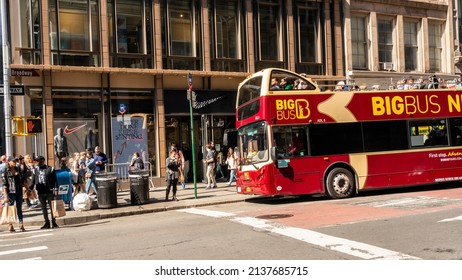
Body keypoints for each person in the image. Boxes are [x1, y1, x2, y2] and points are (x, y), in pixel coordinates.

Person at [29, 156, 59, 229]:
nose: (37, 162)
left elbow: (55, 180)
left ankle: (54, 222)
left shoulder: (50, 169)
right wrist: (30, 189)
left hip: (49, 191)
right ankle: (46, 222)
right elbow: (32, 181)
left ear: (43, 160)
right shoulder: (35, 170)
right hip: (40, 191)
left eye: (38, 161)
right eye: (36, 161)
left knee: (52, 207)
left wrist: (56, 189)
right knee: (43, 208)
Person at [2, 158, 25, 232]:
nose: (15, 162)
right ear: (9, 162)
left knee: (19, 208)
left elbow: (23, 180)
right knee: (10, 209)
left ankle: (21, 224)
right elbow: (4, 185)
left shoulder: (18, 169)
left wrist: (28, 190)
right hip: (10, 192)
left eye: (15, 161)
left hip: (19, 190)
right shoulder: (5, 171)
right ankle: (10, 225)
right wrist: (6, 196)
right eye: (13, 161)